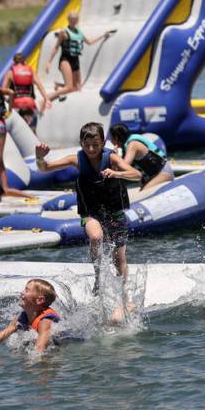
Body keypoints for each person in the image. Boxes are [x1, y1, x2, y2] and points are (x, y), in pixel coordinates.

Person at [35, 122, 141, 297]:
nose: (91, 149)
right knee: (96, 236)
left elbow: (136, 175)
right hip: (91, 213)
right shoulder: (75, 159)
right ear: (81, 143)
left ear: (103, 142)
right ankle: (99, 277)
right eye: (87, 145)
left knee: (119, 258)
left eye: (96, 145)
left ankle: (123, 294)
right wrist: (40, 157)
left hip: (114, 211)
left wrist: (117, 173)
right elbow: (44, 168)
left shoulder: (112, 158)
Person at [44, 13, 114, 100]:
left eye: (75, 21)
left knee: (77, 88)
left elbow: (89, 42)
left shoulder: (78, 32)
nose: (73, 22)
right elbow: (56, 47)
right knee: (69, 87)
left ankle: (59, 86)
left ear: (77, 21)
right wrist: (49, 62)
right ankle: (47, 98)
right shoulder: (63, 32)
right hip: (66, 60)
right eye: (72, 21)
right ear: (68, 21)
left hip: (75, 60)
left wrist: (103, 35)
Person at [109, 124, 174, 190]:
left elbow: (124, 167)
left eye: (111, 137)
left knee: (145, 192)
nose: (110, 140)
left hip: (163, 172)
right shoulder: (128, 145)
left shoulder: (133, 144)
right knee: (142, 192)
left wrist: (115, 155)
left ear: (116, 138)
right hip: (155, 174)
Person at [2, 53, 50, 132]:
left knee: (16, 130)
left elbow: (3, 90)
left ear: (14, 62)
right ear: (24, 62)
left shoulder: (10, 73)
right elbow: (39, 85)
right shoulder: (30, 71)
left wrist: (6, 100)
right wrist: (46, 99)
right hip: (29, 103)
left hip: (16, 104)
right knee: (32, 130)